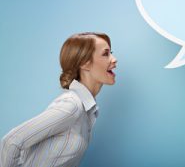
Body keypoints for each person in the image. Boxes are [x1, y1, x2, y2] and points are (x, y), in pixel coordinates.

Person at [0, 32, 117, 167]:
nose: (114, 59)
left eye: (111, 53)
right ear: (85, 63)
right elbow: (11, 141)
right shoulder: (72, 106)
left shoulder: (87, 110)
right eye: (105, 54)